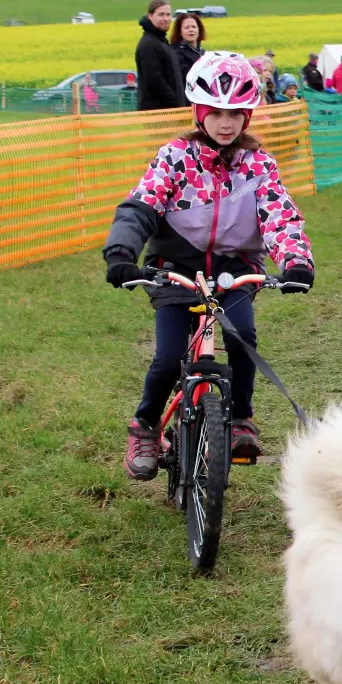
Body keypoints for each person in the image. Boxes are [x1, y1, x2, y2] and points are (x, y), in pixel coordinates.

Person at [103, 52, 314, 479]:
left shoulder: (258, 165)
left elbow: (279, 216)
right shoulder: (175, 157)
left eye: (235, 113)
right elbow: (140, 207)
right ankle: (145, 426)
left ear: (248, 116)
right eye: (216, 112)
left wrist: (295, 261)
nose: (225, 123)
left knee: (243, 337)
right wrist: (121, 254)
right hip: (174, 268)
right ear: (199, 112)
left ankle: (240, 419)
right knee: (167, 357)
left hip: (233, 268)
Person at [135, 0, 183, 111]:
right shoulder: (149, 44)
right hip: (158, 113)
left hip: (167, 110)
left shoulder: (161, 41)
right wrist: (174, 101)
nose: (166, 19)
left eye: (168, 15)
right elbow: (154, 79)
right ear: (150, 16)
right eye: (161, 14)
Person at [171, 12, 204, 81]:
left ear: (199, 30)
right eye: (186, 27)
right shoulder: (175, 53)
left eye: (193, 27)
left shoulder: (203, 53)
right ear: (180, 32)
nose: (191, 30)